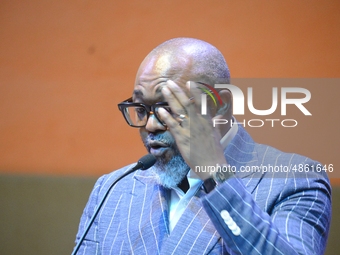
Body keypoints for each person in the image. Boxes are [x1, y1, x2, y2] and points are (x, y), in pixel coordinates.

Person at [73, 38, 331, 254]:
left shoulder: (295, 179)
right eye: (141, 109)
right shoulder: (112, 190)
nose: (150, 125)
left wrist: (215, 172)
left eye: (167, 107)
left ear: (221, 104)